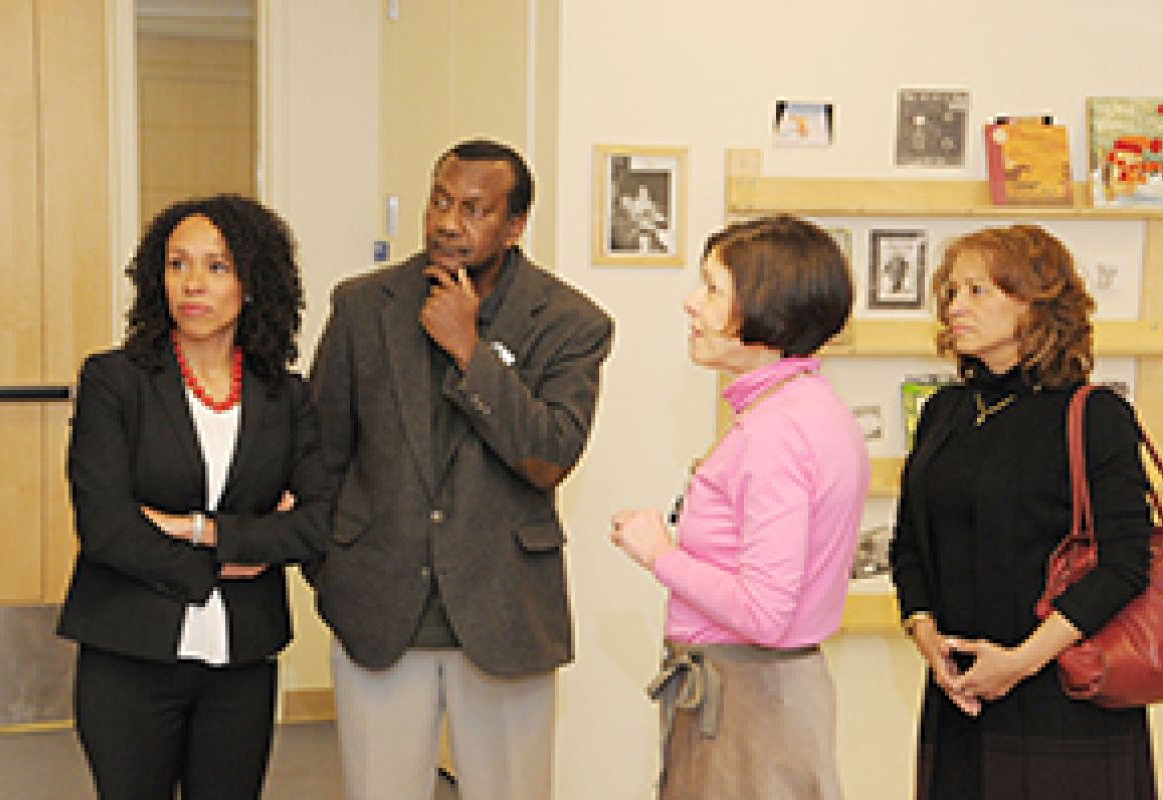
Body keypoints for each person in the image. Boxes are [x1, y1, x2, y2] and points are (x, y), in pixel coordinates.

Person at [309, 138, 614, 800]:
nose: (449, 222)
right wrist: (336, 568)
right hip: (378, 612)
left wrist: (470, 350)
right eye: (441, 200)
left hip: (506, 615)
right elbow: (320, 454)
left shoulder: (570, 323)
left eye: (475, 209)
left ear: (514, 225)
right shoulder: (363, 307)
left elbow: (549, 456)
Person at [58, 194, 333, 800]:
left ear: (252, 283)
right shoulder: (114, 381)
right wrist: (229, 557)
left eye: (217, 266)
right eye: (178, 264)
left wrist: (197, 530)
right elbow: (105, 527)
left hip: (242, 662)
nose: (192, 284)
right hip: (127, 655)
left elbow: (316, 522)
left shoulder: (285, 396)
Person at [889, 224, 1156, 799]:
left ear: (1036, 305)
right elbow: (909, 542)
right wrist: (926, 635)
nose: (956, 307)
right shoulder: (943, 412)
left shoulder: (1095, 414)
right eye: (952, 293)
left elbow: (1124, 564)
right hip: (960, 694)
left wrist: (1020, 662)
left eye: (978, 291)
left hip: (1067, 693)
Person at [610, 215, 869, 799]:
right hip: (768, 692)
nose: (690, 303)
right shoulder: (807, 406)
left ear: (764, 310)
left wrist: (660, 556)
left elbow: (764, 612)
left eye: (712, 289)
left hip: (749, 699)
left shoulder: (773, 432)